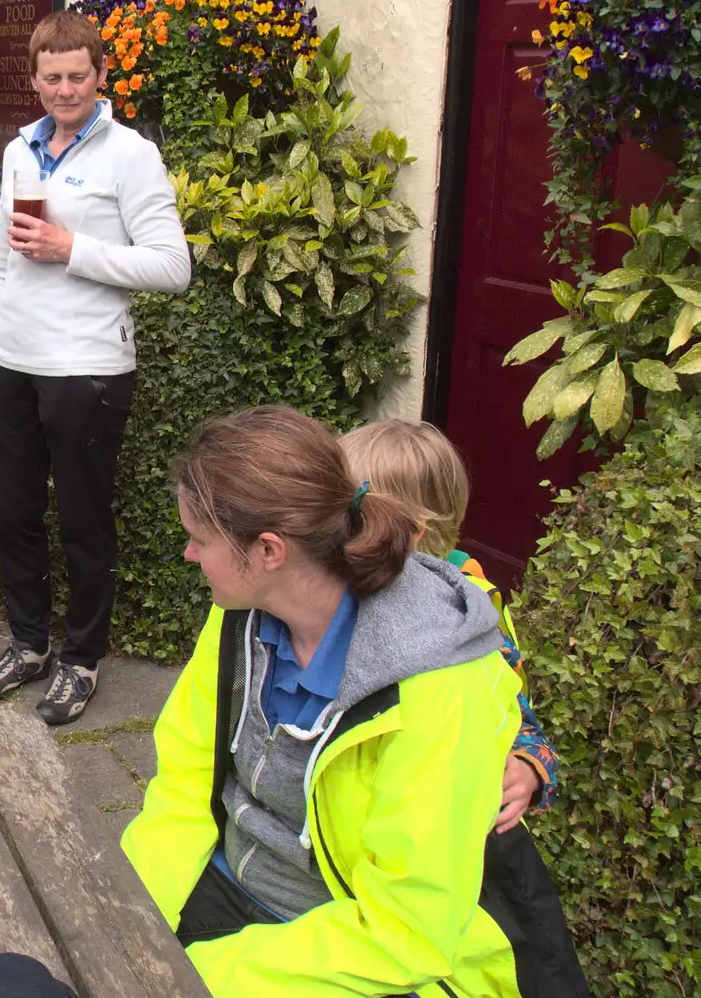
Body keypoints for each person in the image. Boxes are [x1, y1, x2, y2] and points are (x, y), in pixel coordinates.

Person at [121, 405, 582, 997]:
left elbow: (405, 934)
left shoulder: (437, 684)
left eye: (198, 539)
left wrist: (194, 976)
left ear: (268, 551)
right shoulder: (239, 615)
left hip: (352, 957)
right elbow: (184, 783)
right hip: (232, 893)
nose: (188, 555)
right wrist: (130, 914)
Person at [0, 10, 192, 725]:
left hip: (89, 366)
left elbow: (172, 268)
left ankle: (82, 657)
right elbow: (5, 262)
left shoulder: (131, 155)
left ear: (101, 75)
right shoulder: (19, 153)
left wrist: (73, 248)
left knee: (85, 521)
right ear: (33, 80)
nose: (65, 89)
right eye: (51, 77)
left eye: (77, 75)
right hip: (16, 362)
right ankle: (30, 643)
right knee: (11, 512)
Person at [340, 419, 559, 830]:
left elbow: (516, 717)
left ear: (404, 533)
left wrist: (531, 769)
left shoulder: (473, 613)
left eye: (345, 513)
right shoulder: (340, 587)